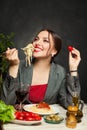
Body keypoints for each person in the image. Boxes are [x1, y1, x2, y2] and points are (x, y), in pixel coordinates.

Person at [0, 29, 81, 109]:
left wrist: (73, 69)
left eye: (45, 40)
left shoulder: (59, 72)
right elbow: (6, 104)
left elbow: (72, 105)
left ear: (54, 51)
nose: (37, 43)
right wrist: (13, 66)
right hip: (20, 119)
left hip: (46, 121)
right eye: (36, 39)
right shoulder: (19, 66)